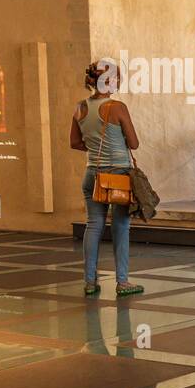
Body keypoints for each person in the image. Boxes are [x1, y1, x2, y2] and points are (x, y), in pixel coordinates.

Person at [69, 61, 143, 297]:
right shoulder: (117, 107)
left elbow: (74, 143)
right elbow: (134, 143)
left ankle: (90, 282)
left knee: (93, 226)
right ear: (108, 81)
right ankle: (122, 282)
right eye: (117, 78)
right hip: (117, 175)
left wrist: (95, 148)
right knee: (120, 226)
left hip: (92, 173)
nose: (119, 82)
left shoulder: (80, 107)